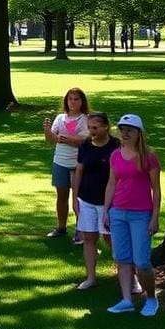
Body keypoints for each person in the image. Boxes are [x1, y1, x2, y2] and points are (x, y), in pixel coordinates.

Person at [103, 114, 162, 316]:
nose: (125, 133)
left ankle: (152, 298)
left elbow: (156, 189)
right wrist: (106, 210)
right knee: (122, 258)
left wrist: (155, 216)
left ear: (139, 133)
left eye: (130, 130)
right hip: (118, 212)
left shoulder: (149, 157)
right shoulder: (115, 155)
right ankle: (127, 299)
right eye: (122, 129)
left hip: (141, 215)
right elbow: (112, 183)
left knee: (142, 262)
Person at [71, 112, 120, 289]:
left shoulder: (116, 146)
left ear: (106, 127)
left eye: (95, 128)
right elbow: (79, 172)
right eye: (89, 127)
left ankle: (128, 275)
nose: (91, 131)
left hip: (109, 202)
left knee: (111, 238)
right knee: (89, 238)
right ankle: (91, 277)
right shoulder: (85, 146)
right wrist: (75, 198)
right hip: (86, 199)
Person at [43, 88, 90, 240]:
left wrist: (64, 139)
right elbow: (50, 140)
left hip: (79, 164)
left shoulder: (85, 119)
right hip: (60, 162)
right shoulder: (60, 118)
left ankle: (80, 230)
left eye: (76, 99)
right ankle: (61, 227)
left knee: (79, 199)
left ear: (82, 102)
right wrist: (47, 131)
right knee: (61, 196)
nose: (73, 102)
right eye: (70, 99)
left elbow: (85, 141)